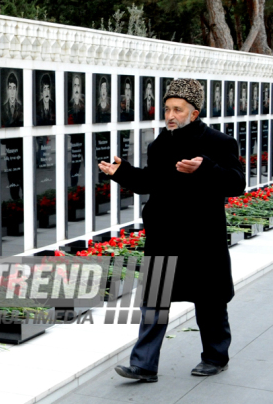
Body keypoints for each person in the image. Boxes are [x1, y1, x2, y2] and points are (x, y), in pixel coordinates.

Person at [99, 78, 244, 383]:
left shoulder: (219, 143)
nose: (170, 115)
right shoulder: (159, 145)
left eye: (177, 109)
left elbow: (236, 184)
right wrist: (122, 172)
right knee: (154, 302)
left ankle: (216, 357)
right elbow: (151, 183)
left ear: (195, 111)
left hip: (202, 238)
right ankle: (143, 365)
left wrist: (206, 168)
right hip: (164, 236)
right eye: (167, 108)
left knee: (209, 301)